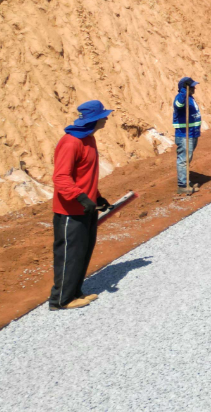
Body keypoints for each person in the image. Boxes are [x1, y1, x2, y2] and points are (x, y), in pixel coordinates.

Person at [49, 100, 113, 310]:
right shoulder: (70, 143)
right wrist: (81, 198)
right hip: (70, 211)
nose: (107, 118)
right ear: (94, 119)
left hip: (85, 206)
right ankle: (61, 300)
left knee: (83, 252)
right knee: (69, 254)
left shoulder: (89, 139)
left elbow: (85, 176)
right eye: (104, 115)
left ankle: (75, 292)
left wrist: (97, 197)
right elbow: (61, 178)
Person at [173, 77, 201, 195]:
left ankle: (186, 181)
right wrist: (184, 91)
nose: (195, 88)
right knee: (183, 160)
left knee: (187, 158)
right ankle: (183, 185)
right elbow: (178, 105)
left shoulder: (190, 98)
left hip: (192, 133)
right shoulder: (181, 98)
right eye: (192, 86)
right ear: (186, 88)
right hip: (184, 134)